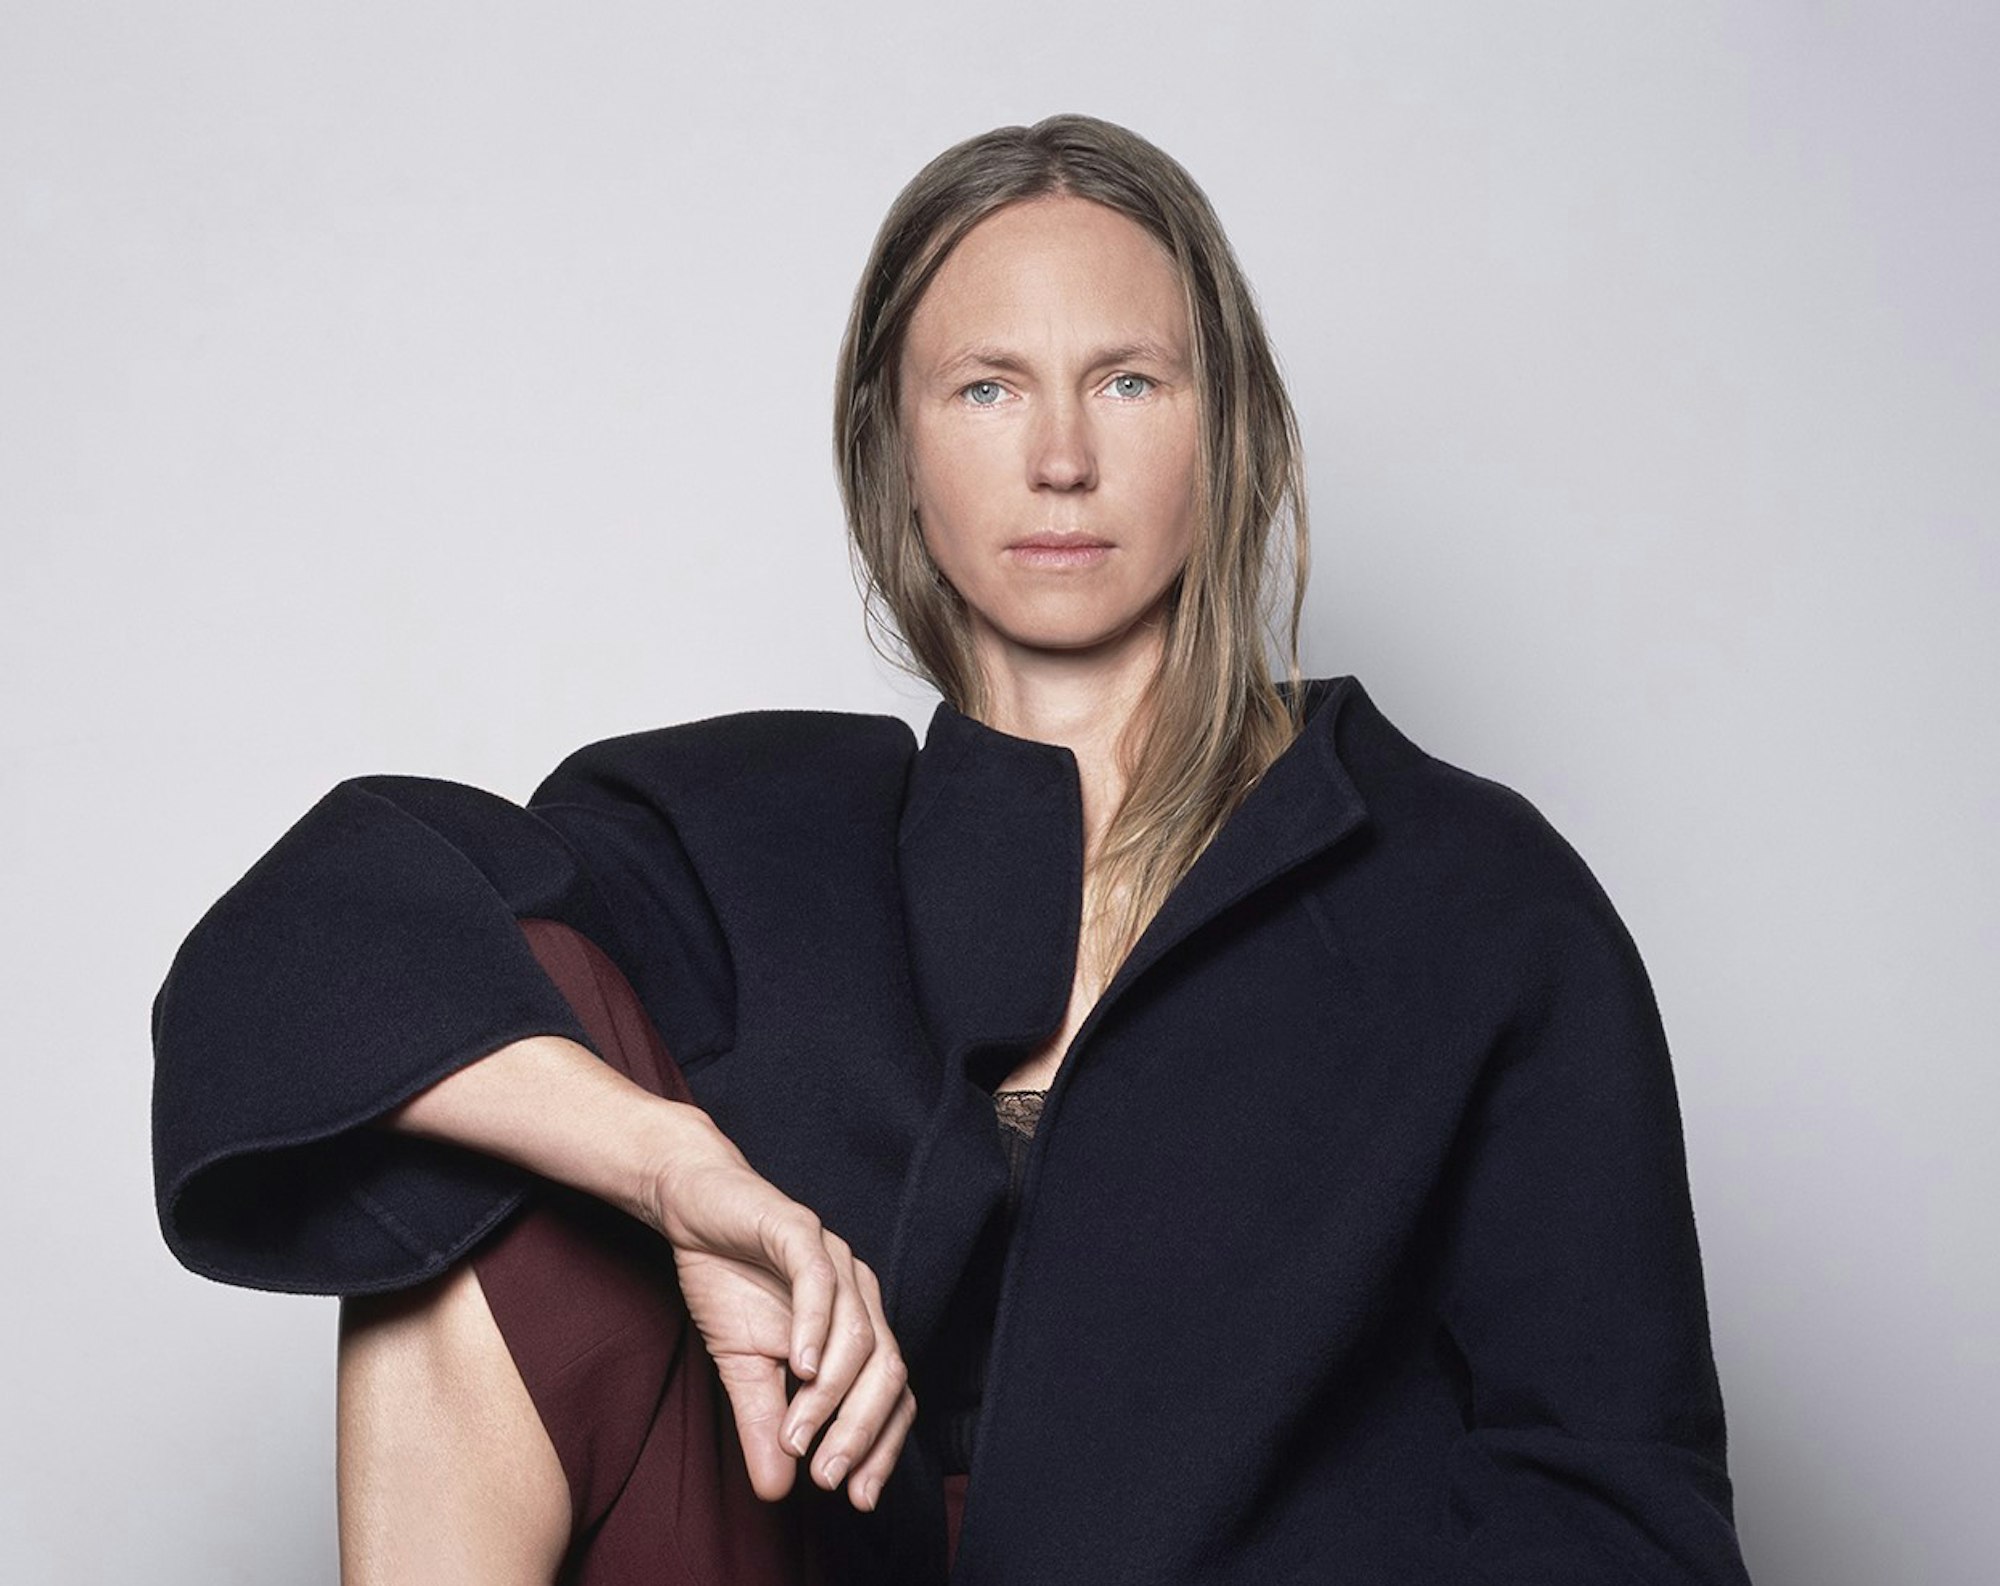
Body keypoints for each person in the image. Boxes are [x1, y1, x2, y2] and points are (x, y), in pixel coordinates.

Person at [150, 114, 1757, 1584]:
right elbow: (300, 961)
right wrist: (677, 1169)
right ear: (897, 454)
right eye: (988, 386)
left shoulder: (1471, 899)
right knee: (484, 1103)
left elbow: (1617, 1502)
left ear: (1233, 429)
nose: (1061, 456)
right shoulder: (744, 835)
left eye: (1131, 379)